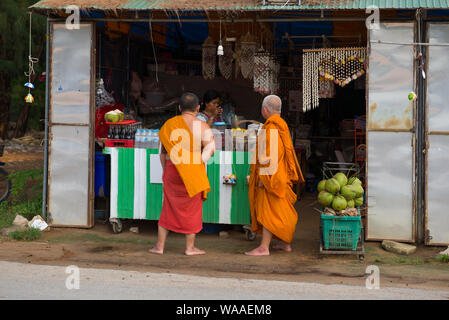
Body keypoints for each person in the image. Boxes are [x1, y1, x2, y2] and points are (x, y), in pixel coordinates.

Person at [149, 93, 215, 256]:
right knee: (193, 209)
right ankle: (190, 248)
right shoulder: (202, 126)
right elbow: (210, 148)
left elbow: (162, 153)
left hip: (173, 170)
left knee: (168, 207)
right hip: (193, 170)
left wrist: (166, 170)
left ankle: (159, 246)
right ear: (198, 108)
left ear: (179, 107)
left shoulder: (169, 125)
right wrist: (198, 162)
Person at [245, 95, 305, 256]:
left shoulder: (271, 127)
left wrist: (264, 180)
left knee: (268, 212)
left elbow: (269, 157)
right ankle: (285, 244)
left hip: (272, 177)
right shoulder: (282, 125)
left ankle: (263, 248)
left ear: (265, 110)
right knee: (282, 210)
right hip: (282, 175)